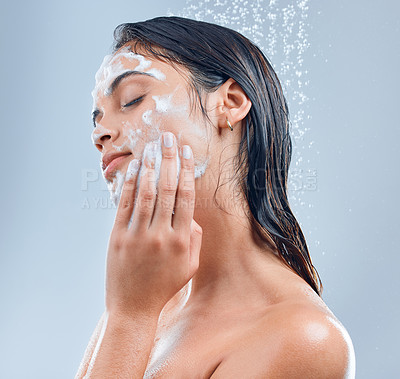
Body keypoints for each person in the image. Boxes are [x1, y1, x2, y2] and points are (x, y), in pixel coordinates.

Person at [76, 16, 355, 378]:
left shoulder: (303, 338)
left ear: (230, 102)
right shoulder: (152, 296)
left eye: (131, 99)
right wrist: (129, 313)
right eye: (96, 119)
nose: (100, 133)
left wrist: (130, 317)